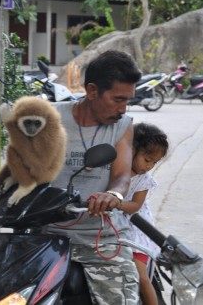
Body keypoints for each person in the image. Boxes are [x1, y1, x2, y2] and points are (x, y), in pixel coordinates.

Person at [46, 50, 143, 304]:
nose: (123, 109)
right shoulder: (49, 118)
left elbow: (122, 175)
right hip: (47, 234)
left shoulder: (123, 126)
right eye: (117, 100)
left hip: (103, 238)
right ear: (92, 91)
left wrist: (112, 194)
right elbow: (21, 166)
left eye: (128, 101)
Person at [117, 122, 169, 305]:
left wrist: (116, 203)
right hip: (110, 225)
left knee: (140, 276)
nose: (149, 166)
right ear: (131, 150)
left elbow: (135, 206)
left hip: (136, 228)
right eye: (147, 160)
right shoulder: (113, 169)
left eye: (154, 162)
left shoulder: (144, 180)